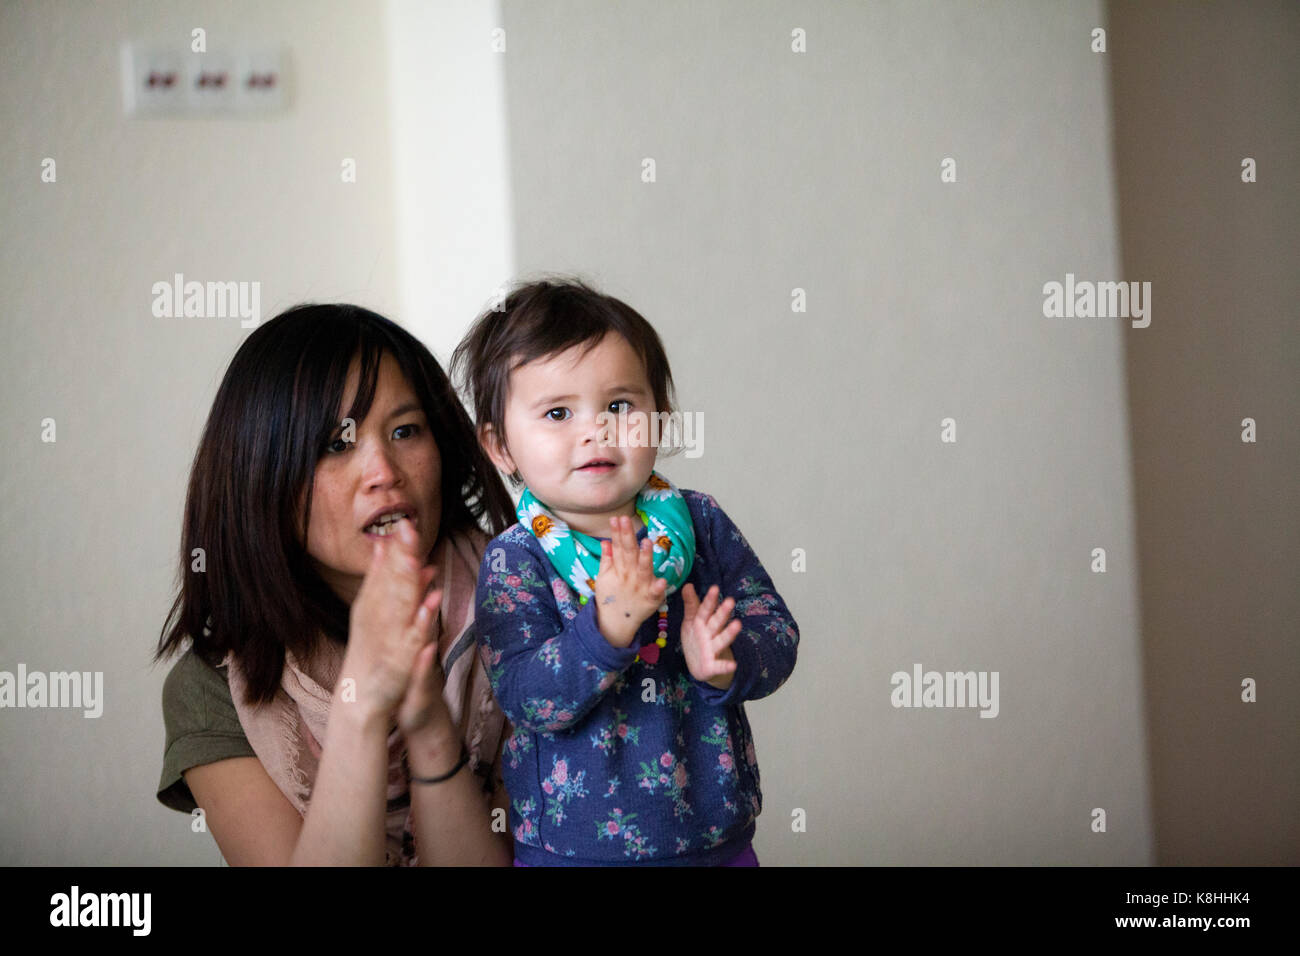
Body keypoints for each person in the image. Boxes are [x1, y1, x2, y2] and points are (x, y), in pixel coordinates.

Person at [450, 277, 800, 866]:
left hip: (714, 838)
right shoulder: (516, 559)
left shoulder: (701, 524)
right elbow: (526, 697)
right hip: (572, 849)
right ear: (501, 448)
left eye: (619, 405)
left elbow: (780, 634)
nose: (596, 429)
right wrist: (606, 629)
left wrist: (727, 663)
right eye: (557, 412)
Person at [154, 303, 516, 866]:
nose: (384, 471)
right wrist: (362, 705)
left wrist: (428, 729)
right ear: (262, 479)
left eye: (405, 431)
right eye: (335, 444)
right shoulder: (210, 690)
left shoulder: (530, 605)